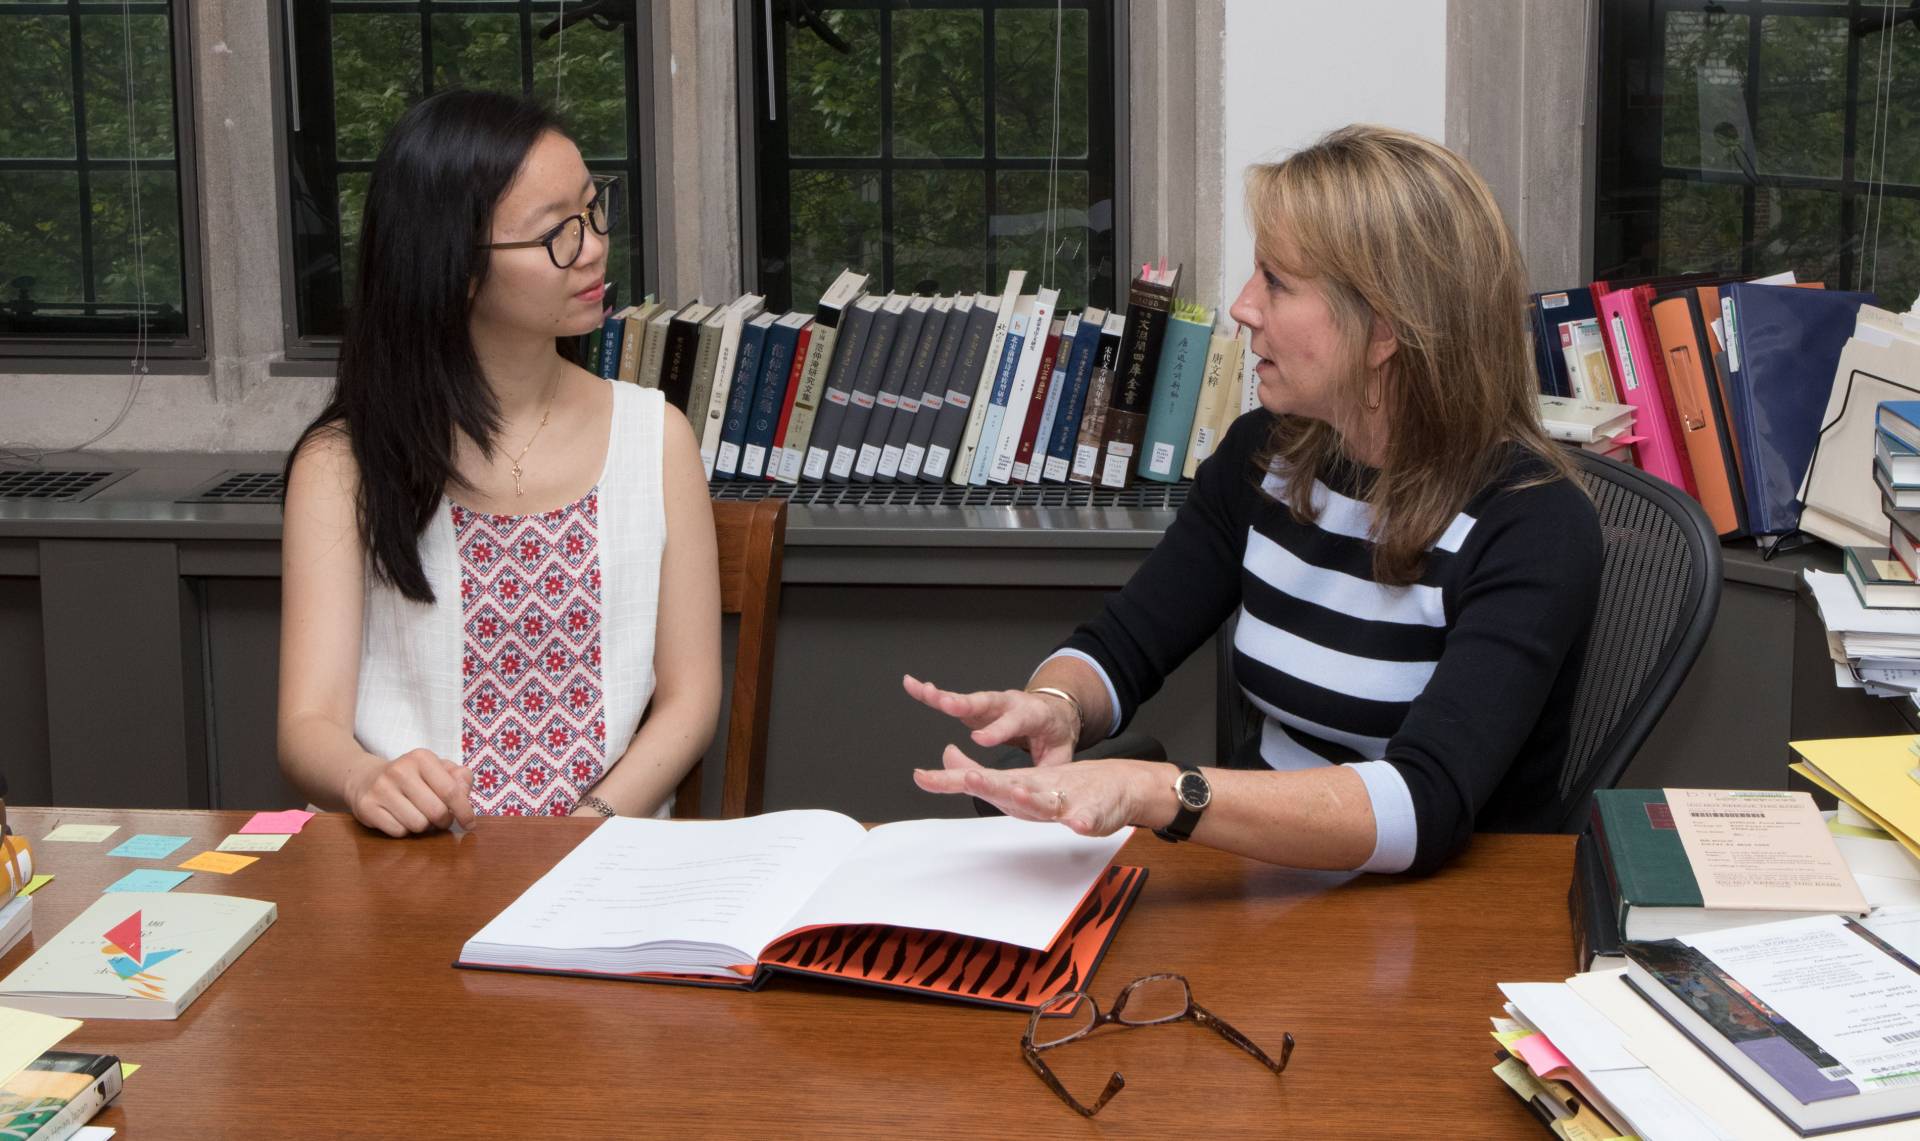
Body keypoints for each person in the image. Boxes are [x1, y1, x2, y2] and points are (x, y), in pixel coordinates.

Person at [906, 125, 1602, 876]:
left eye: (1276, 281)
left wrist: (1159, 790)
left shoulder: (1534, 524)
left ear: (1385, 330)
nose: (1242, 307)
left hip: (1447, 917)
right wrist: (1058, 703)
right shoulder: (1263, 453)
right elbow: (1124, 645)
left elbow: (1423, 801)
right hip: (1268, 880)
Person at [278, 90, 721, 837]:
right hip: (413, 868)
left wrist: (587, 824)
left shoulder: (657, 437)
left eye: (594, 209)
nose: (593, 247)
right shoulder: (343, 463)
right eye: (556, 234)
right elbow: (307, 722)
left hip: (607, 858)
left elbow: (690, 697)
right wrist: (366, 778)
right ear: (455, 266)